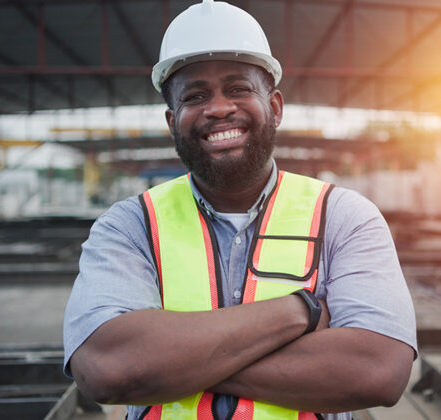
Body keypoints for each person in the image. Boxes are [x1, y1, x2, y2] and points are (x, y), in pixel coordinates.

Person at [63, 1, 417, 419]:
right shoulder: (129, 226)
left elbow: (377, 371)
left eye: (238, 89)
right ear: (172, 121)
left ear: (276, 108)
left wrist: (172, 361)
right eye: (195, 95)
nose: (218, 108)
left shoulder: (344, 218)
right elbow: (109, 368)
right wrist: (300, 311)